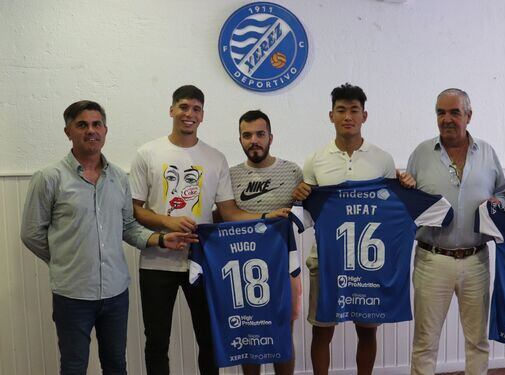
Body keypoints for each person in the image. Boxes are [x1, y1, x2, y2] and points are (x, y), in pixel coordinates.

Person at [20, 100, 196, 375]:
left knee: (116, 364)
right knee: (74, 366)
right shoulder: (49, 178)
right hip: (72, 294)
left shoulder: (118, 178)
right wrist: (66, 260)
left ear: (105, 130)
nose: (91, 131)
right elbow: (31, 233)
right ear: (68, 131)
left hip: (115, 293)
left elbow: (128, 226)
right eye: (82, 125)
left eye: (96, 124)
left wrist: (161, 240)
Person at [129, 85, 288, 375]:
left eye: (196, 109)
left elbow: (229, 212)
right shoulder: (147, 153)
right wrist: (167, 222)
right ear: (172, 110)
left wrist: (267, 215)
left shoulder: (215, 158)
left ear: (202, 115)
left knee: (209, 339)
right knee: (156, 342)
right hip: (157, 261)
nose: (189, 114)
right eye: (183, 107)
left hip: (203, 263)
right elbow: (135, 209)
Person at [292, 83, 413, 375]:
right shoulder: (315, 159)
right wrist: (299, 195)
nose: (348, 116)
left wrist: (407, 185)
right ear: (331, 115)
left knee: (368, 331)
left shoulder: (382, 159)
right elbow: (309, 209)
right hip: (326, 258)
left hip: (369, 260)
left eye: (354, 110)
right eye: (341, 110)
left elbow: (391, 207)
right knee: (322, 330)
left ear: (364, 115)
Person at [407, 88, 505, 375]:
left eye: (454, 112)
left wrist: (496, 202)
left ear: (469, 116)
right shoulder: (421, 153)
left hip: (476, 259)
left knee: (477, 341)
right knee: (425, 343)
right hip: (431, 259)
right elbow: (408, 199)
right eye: (441, 112)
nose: (447, 119)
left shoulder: (487, 153)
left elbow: (502, 192)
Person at [229, 109, 303, 375]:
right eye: (247, 135)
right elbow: (224, 216)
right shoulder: (230, 175)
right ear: (240, 140)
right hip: (243, 267)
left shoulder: (293, 172)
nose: (254, 140)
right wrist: (265, 216)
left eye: (260, 134)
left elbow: (307, 216)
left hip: (283, 264)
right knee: (251, 335)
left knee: (283, 333)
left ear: (271, 137)